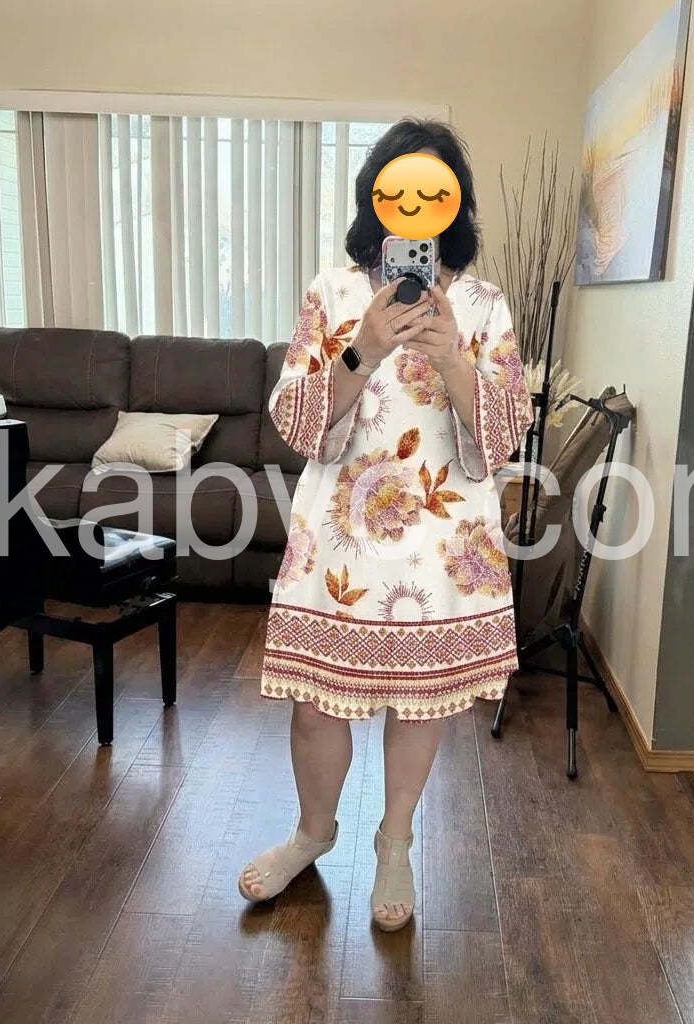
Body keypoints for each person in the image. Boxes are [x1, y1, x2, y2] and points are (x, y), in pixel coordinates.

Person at [238, 119, 534, 932]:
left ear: (455, 206)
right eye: (398, 188)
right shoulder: (334, 294)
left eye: (433, 191)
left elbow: (505, 436)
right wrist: (361, 349)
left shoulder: (483, 305)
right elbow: (296, 424)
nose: (414, 205)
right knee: (314, 704)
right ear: (375, 197)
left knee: (421, 703)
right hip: (338, 534)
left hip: (442, 536)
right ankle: (313, 832)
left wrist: (452, 359)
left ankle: (394, 841)